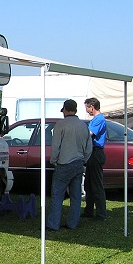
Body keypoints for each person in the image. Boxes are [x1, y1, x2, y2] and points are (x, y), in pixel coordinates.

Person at [46, 99, 92, 231]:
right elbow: (89, 148)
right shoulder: (83, 126)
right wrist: (84, 160)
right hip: (78, 163)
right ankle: (73, 223)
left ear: (65, 109)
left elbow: (56, 146)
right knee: (76, 196)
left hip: (64, 163)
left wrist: (54, 160)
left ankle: (53, 224)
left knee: (57, 195)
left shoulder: (61, 125)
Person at [83, 97, 107, 220]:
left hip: (96, 152)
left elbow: (89, 134)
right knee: (88, 184)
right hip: (92, 153)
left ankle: (101, 213)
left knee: (96, 184)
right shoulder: (95, 119)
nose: (86, 111)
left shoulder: (99, 119)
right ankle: (88, 210)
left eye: (87, 108)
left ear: (91, 107)